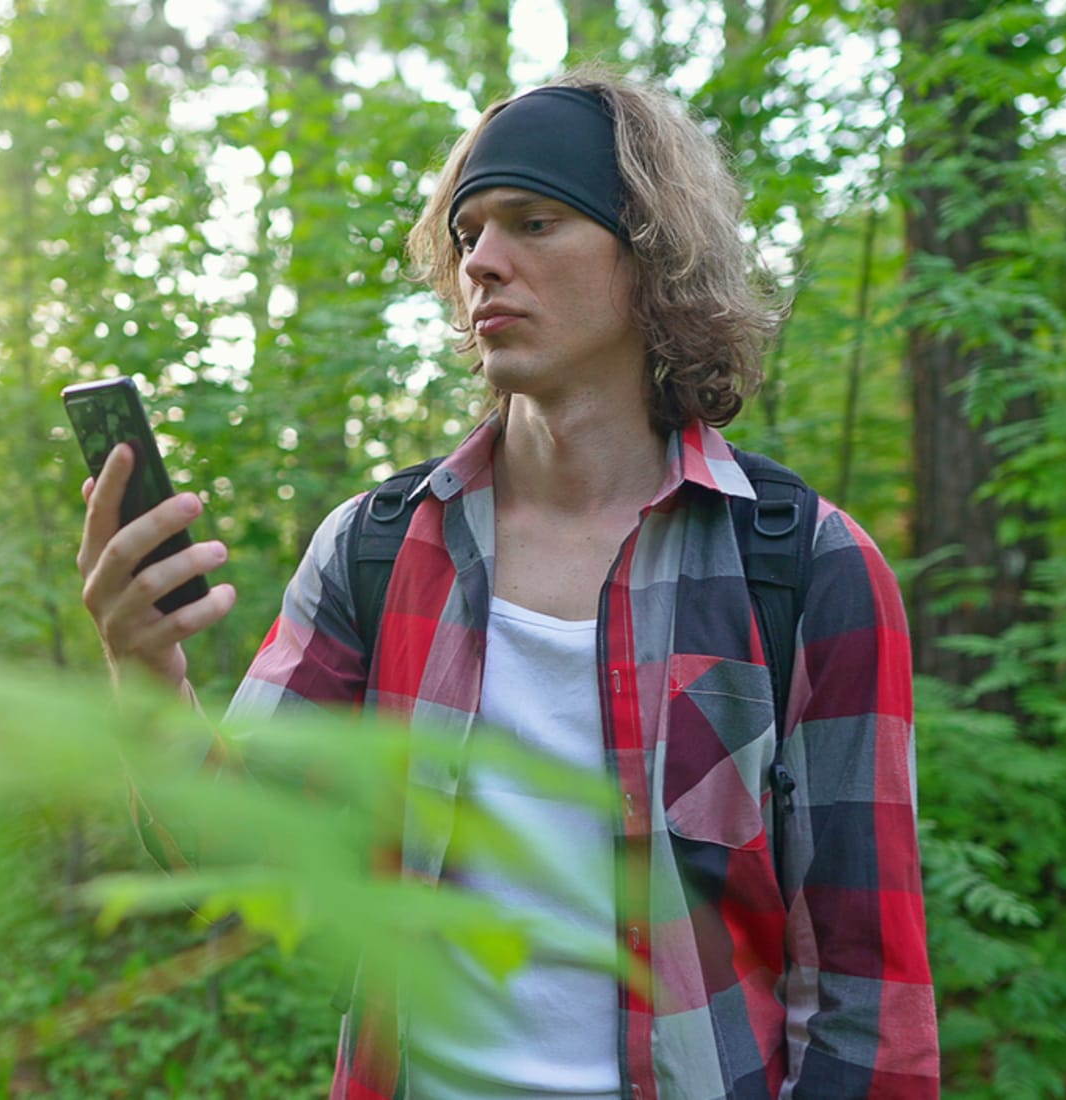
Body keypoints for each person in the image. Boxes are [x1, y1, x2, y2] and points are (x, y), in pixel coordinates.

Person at [76, 64, 937, 1100]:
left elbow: (867, 1001)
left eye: (534, 222)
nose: (482, 260)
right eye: (469, 231)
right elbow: (226, 854)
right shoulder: (377, 549)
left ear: (652, 258)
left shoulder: (806, 565)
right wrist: (144, 667)